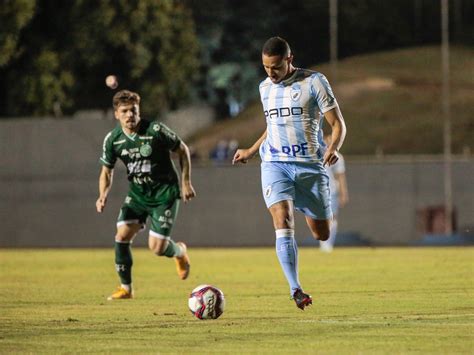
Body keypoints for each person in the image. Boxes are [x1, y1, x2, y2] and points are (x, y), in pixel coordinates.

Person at [232, 37, 346, 310]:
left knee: (322, 234)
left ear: (289, 59)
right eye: (265, 67)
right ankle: (296, 288)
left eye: (275, 67)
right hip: (275, 164)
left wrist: (333, 147)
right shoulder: (264, 88)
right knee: (282, 219)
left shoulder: (315, 82)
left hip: (309, 166)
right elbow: (273, 125)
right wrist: (251, 150)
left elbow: (338, 124)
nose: (270, 73)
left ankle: (313, 216)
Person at [96, 90, 196, 300]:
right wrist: (102, 195)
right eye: (124, 111)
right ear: (116, 114)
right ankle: (126, 288)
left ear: (138, 110)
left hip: (165, 193)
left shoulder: (156, 130)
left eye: (133, 110)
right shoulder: (113, 140)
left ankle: (179, 252)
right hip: (138, 194)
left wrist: (185, 182)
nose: (130, 115)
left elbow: (183, 150)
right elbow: (107, 171)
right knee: (122, 235)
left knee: (157, 248)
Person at [319, 133, 349, 253]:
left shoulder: (338, 157)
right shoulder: (317, 154)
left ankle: (328, 245)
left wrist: (343, 193)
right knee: (320, 218)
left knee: (332, 217)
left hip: (331, 191)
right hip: (318, 192)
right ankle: (323, 243)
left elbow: (340, 176)